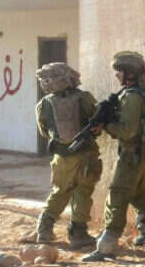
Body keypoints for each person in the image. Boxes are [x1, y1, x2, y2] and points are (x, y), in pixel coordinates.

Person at [83, 51, 145, 261]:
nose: (117, 75)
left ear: (130, 73)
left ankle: (106, 246)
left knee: (117, 194)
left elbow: (128, 131)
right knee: (136, 192)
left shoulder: (132, 97)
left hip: (132, 154)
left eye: (120, 71)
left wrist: (107, 126)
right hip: (141, 153)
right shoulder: (132, 93)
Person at [31, 62, 102, 249]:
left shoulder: (43, 104)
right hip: (86, 154)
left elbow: (44, 132)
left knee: (60, 191)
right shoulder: (84, 98)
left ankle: (44, 230)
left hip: (61, 157)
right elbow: (96, 121)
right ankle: (78, 234)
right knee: (83, 192)